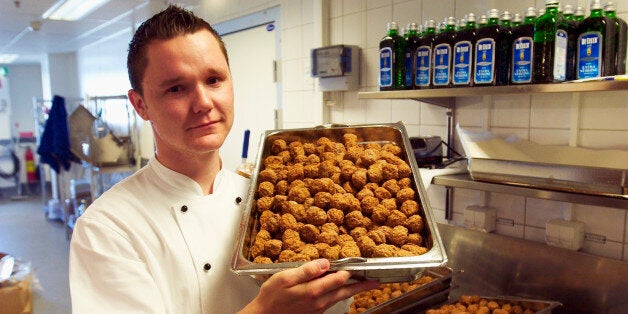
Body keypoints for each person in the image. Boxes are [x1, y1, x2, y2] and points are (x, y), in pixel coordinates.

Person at [69, 5, 379, 314]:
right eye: (176, 88)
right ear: (141, 106)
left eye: (214, 79)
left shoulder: (266, 199)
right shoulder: (106, 228)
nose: (203, 103)